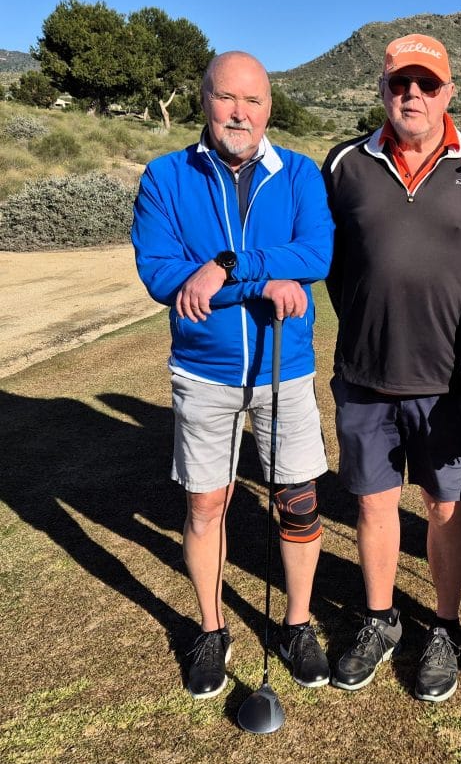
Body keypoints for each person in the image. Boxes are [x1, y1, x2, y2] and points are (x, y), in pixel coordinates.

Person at [132, 51, 335, 699]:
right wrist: (259, 281)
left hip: (284, 368)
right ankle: (211, 629)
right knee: (205, 504)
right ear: (205, 101)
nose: (239, 113)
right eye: (226, 98)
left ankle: (296, 624)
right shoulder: (166, 176)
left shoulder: (298, 173)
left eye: (252, 100)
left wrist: (224, 265)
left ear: (269, 107)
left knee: (298, 502)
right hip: (203, 372)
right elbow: (163, 274)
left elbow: (316, 254)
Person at [322, 34, 461, 703]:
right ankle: (380, 620)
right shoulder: (345, 163)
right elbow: (331, 261)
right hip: (365, 374)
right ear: (382, 90)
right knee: (374, 505)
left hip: (448, 382)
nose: (413, 95)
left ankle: (445, 627)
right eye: (400, 83)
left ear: (448, 92)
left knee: (443, 507)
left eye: (426, 84)